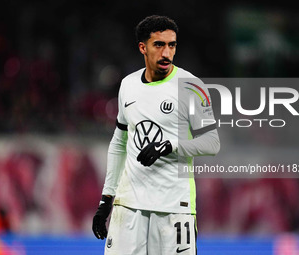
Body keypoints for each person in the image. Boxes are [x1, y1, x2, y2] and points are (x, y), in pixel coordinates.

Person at [92, 15, 220, 255]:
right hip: (129, 206)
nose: (166, 53)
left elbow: (212, 143)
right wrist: (105, 201)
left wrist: (169, 145)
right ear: (143, 47)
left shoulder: (192, 86)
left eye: (172, 45)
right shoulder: (128, 85)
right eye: (159, 45)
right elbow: (119, 144)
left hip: (174, 207)